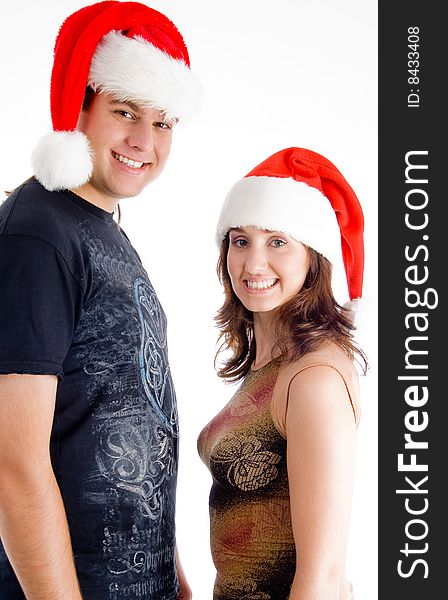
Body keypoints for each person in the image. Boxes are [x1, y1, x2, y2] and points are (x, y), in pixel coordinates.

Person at [0, 2, 201, 599]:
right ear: (79, 108)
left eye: (164, 122)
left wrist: (174, 576)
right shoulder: (39, 233)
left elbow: (135, 413)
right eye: (124, 111)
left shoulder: (103, 228)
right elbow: (13, 464)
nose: (145, 140)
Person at [198, 147, 367, 600]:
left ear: (313, 256)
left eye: (277, 241)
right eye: (240, 241)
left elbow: (323, 576)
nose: (253, 264)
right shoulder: (275, 364)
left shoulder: (314, 380)